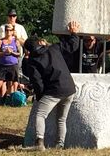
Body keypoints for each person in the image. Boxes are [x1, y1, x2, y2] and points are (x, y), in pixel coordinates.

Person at [24, 21, 80, 151]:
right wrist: (74, 33)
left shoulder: (32, 61)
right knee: (61, 119)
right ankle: (60, 145)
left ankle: (39, 143)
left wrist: (40, 97)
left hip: (54, 90)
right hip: (70, 88)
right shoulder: (54, 48)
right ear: (40, 42)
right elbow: (72, 46)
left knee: (40, 114)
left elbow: (37, 82)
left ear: (29, 50)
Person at [0, 23, 21, 106]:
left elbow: (19, 54)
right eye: (6, 30)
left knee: (11, 84)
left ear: (13, 31)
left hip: (13, 65)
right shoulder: (1, 41)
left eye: (10, 30)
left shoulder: (16, 41)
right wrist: (4, 52)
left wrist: (12, 52)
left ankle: (9, 100)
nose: (8, 32)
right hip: (2, 65)